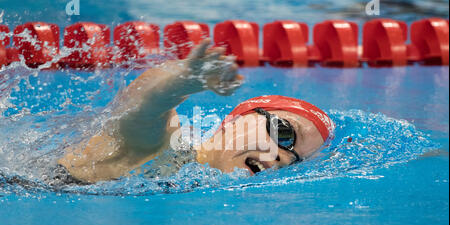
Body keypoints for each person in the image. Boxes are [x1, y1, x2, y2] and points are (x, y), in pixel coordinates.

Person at [56, 40, 334, 184]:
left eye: (296, 161)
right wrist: (180, 81)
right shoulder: (163, 146)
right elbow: (142, 107)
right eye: (285, 133)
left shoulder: (203, 183)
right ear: (237, 119)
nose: (283, 157)